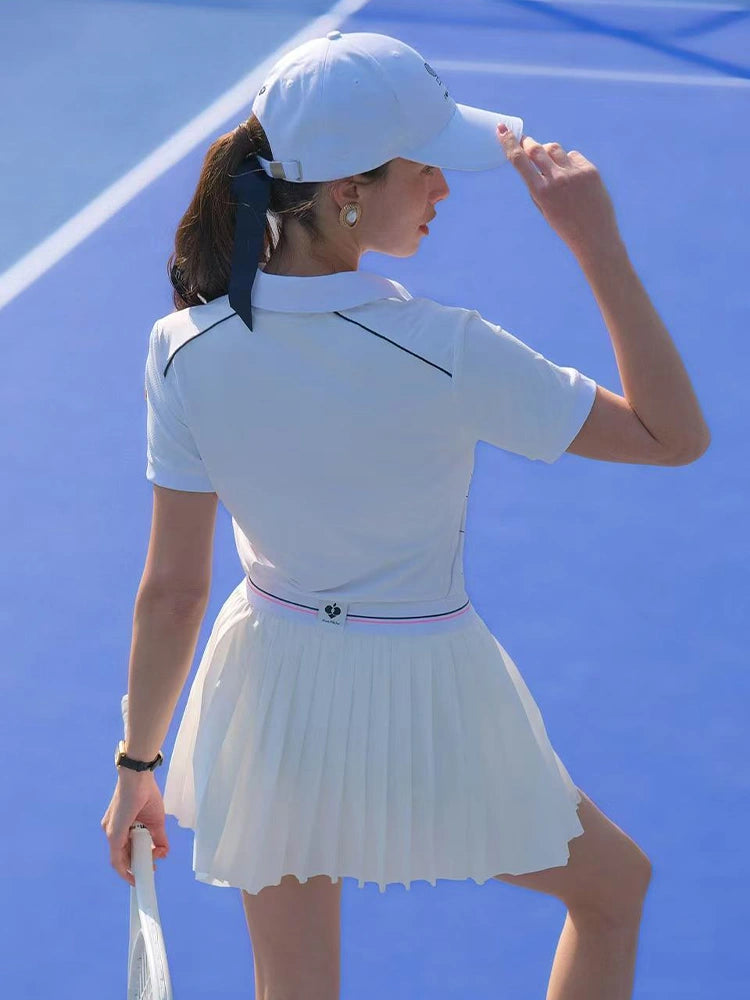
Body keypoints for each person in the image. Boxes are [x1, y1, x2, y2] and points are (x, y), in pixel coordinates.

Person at [101, 29, 710, 1000]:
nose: (445, 187)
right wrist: (598, 242)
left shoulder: (179, 349)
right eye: (427, 167)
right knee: (613, 890)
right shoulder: (449, 349)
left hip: (273, 690)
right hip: (432, 689)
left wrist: (139, 760)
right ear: (347, 189)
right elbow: (670, 436)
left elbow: (172, 590)